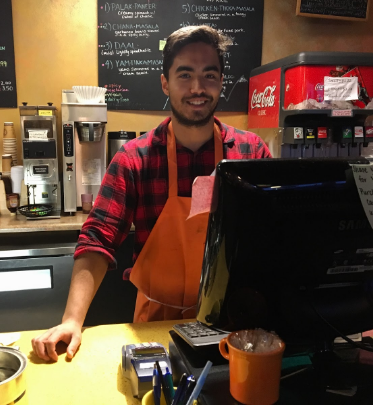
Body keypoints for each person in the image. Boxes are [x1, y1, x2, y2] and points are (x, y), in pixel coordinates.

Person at [32, 25, 272, 361]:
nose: (197, 88)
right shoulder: (135, 158)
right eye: (184, 75)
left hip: (232, 325)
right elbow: (97, 239)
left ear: (221, 82)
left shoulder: (251, 153)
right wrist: (72, 320)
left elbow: (273, 240)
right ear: (165, 83)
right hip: (158, 328)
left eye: (209, 75)